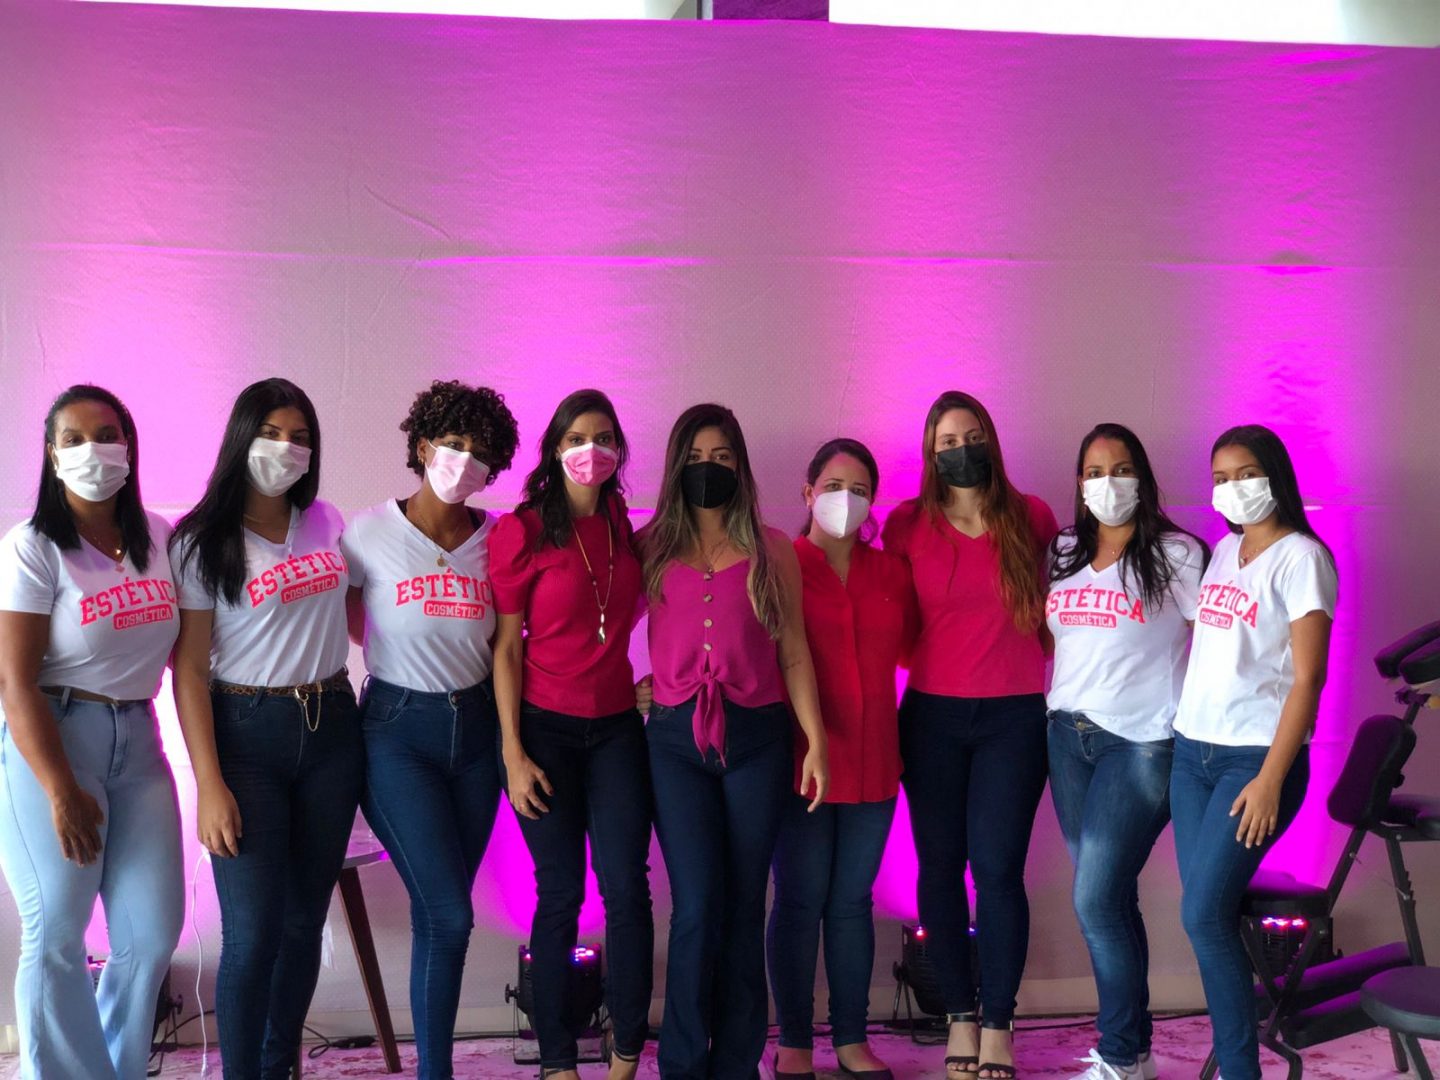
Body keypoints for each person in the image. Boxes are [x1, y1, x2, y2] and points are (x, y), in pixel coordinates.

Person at [169, 377, 362, 1080]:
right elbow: (189, 671)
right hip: (246, 735)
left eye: (300, 437)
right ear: (241, 440)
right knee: (252, 936)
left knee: (304, 922)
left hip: (332, 726)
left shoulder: (326, 521)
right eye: (271, 433)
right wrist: (209, 784)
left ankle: (282, 1068)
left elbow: (367, 611)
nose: (286, 448)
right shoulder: (200, 541)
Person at [640, 402, 829, 1080]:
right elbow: (591, 625)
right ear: (676, 466)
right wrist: (627, 690)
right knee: (695, 905)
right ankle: (684, 1063)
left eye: (721, 457)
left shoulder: (774, 548)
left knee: (747, 903)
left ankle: (737, 1063)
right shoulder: (649, 544)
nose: (708, 468)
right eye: (696, 458)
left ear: (740, 466)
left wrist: (815, 741)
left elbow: (794, 650)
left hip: (758, 737)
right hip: (674, 741)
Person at [0, 385, 184, 1079]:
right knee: (56, 930)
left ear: (129, 446)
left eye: (105, 435)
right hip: (55, 738)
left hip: (138, 739)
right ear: (51, 457)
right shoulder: (32, 547)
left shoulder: (160, 537)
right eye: (72, 440)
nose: (91, 451)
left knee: (151, 932)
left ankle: (115, 1068)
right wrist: (59, 790)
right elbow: (14, 682)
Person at [340, 379, 519, 1080]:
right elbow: (346, 620)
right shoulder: (368, 532)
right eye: (451, 443)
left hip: (475, 735)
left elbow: (508, 643)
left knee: (438, 914)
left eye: (480, 452)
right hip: (398, 732)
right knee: (450, 913)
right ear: (420, 446)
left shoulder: (499, 539)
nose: (463, 460)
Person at [881, 390, 1057, 1080]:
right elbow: (893, 620)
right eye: (947, 442)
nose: (962, 450)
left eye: (972, 435)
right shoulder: (905, 524)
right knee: (938, 870)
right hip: (932, 718)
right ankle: (958, 1011)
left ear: (992, 439)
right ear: (930, 453)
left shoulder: (1032, 516)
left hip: (1015, 718)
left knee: (998, 871)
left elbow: (1059, 609)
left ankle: (998, 1023)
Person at [488, 389, 652, 1080]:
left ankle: (626, 1053)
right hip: (544, 732)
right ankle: (557, 1059)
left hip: (616, 730)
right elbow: (505, 649)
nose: (593, 450)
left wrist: (653, 684)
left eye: (605, 438)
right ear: (556, 449)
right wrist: (512, 753)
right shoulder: (521, 530)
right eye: (578, 438)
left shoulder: (622, 524)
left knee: (627, 890)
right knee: (559, 894)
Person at [1172, 425, 1336, 1080]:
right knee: (1209, 916)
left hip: (1254, 762)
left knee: (1203, 913)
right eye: (1220, 478)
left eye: (1245, 474)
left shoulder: (1302, 558)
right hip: (1193, 756)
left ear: (1274, 476)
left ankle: (1241, 1071)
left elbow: (1309, 679)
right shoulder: (1223, 550)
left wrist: (1270, 779)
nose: (1232, 488)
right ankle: (1236, 1059)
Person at [1045, 424, 1207, 1080]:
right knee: (1110, 899)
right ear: (1079, 482)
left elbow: (1217, 641)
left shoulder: (1177, 553)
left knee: (1094, 899)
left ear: (1141, 476)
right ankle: (1136, 1054)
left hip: (1141, 743)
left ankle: (1116, 1057)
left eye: (1119, 469)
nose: (1105, 483)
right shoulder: (1062, 549)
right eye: (1092, 471)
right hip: (1066, 738)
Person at [767, 437, 916, 1080]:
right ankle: (794, 1039)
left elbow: (915, 649)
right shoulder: (782, 565)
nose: (845, 500)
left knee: (853, 902)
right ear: (808, 493)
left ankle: (852, 1038)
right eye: (832, 486)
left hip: (876, 761)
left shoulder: (891, 573)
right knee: (800, 900)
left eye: (858, 490)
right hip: (800, 762)